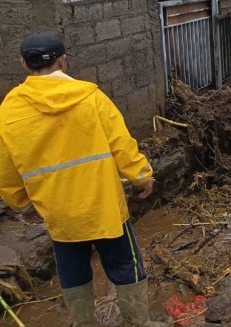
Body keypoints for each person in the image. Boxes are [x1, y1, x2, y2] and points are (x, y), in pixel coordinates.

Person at [0, 32, 165, 327]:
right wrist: (142, 177)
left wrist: (22, 204)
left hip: (58, 211)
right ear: (63, 60)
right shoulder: (90, 97)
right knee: (125, 263)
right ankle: (139, 322)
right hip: (104, 205)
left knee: (72, 268)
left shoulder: (10, 109)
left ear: (24, 64)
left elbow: (6, 167)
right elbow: (121, 144)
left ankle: (83, 322)